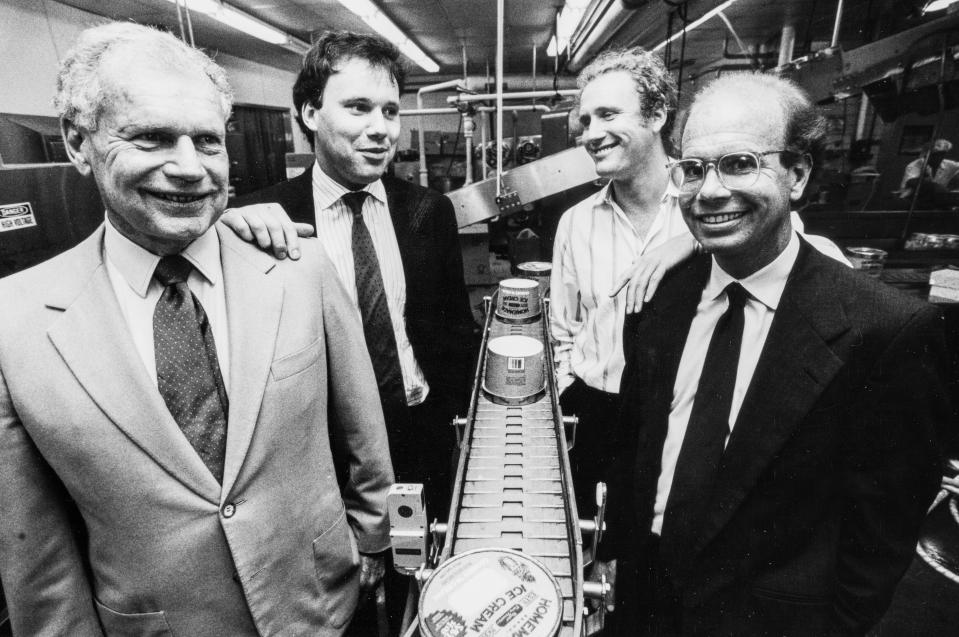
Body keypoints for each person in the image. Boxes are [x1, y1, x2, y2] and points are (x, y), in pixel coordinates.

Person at [0, 22, 393, 636]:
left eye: (208, 142)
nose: (189, 168)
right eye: (153, 138)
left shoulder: (297, 268)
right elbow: (35, 552)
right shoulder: (15, 323)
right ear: (78, 143)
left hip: (322, 605)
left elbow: (362, 425)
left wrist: (373, 536)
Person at [595, 72, 949, 636]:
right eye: (693, 169)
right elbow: (637, 443)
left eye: (739, 163)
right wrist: (616, 551)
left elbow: (882, 530)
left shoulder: (883, 329)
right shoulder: (661, 295)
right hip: (645, 600)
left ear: (799, 174)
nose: (709, 191)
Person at [222, 30, 476, 635]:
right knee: (346, 600)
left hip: (420, 433)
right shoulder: (266, 221)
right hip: (322, 455)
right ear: (309, 113)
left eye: (390, 110)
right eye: (358, 107)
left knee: (430, 584)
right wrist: (225, 226)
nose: (382, 127)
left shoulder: (426, 211)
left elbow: (452, 333)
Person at [549, 47, 846, 520]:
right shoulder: (575, 222)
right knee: (596, 537)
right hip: (596, 409)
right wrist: (571, 388)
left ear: (658, 115)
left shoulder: (711, 207)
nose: (592, 133)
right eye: (585, 120)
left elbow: (795, 250)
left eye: (608, 114)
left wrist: (694, 242)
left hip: (681, 412)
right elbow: (563, 328)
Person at [898, 138, 959, 206]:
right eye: (936, 154)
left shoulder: (949, 165)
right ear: (927, 154)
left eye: (943, 154)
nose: (939, 157)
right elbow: (909, 184)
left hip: (938, 203)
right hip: (915, 202)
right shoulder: (915, 165)